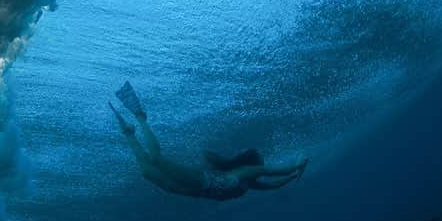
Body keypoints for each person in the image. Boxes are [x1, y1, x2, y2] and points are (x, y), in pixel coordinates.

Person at [110, 81, 308, 201]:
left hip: (190, 191)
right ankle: (140, 117)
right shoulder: (247, 172)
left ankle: (129, 133)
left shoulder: (250, 182)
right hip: (201, 181)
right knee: (156, 160)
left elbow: (274, 184)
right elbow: (277, 170)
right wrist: (297, 166)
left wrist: (292, 177)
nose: (262, 164)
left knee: (147, 172)